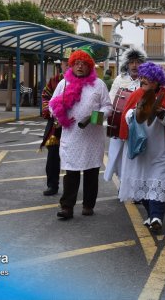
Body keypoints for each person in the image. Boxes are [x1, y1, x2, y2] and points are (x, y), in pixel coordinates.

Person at [117, 62, 165, 232]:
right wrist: (135, 113)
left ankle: (157, 217)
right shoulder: (137, 94)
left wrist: (162, 113)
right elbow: (126, 116)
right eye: (143, 77)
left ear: (157, 81)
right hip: (141, 152)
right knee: (143, 186)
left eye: (148, 78)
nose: (144, 80)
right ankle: (151, 216)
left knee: (158, 183)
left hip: (162, 150)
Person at [49, 50, 113, 220]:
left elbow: (107, 106)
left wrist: (95, 117)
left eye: (83, 64)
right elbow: (52, 104)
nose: (79, 66)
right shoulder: (64, 84)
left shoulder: (99, 84)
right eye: (76, 63)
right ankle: (67, 207)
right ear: (72, 65)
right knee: (71, 172)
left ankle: (88, 205)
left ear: (89, 67)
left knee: (91, 172)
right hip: (71, 135)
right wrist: (59, 113)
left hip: (92, 136)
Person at [104, 47, 147, 182]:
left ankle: (135, 187)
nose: (135, 65)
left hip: (140, 127)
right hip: (119, 124)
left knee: (138, 158)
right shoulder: (119, 79)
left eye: (138, 62)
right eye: (131, 62)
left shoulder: (147, 80)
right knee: (119, 156)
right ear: (127, 64)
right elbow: (110, 100)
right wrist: (99, 119)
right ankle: (123, 185)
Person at [39, 57, 68, 196]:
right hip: (56, 125)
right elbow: (45, 95)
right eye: (65, 63)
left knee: (72, 158)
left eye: (71, 63)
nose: (68, 66)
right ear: (61, 64)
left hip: (73, 126)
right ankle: (52, 185)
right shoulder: (55, 80)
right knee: (53, 156)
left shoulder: (82, 82)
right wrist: (50, 111)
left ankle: (70, 188)